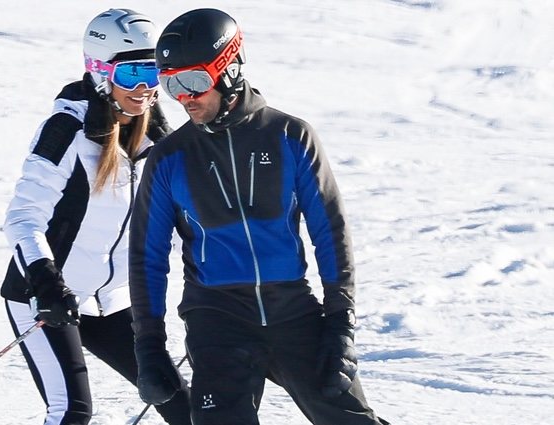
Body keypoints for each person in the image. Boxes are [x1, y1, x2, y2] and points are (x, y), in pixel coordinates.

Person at [129, 8, 389, 425]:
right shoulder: (169, 159)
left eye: (194, 80)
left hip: (293, 313)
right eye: (172, 84)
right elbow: (147, 256)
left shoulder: (290, 136)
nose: (185, 97)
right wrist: (149, 347)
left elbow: (330, 231)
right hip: (217, 319)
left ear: (228, 68)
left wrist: (341, 324)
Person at [0, 8, 191, 425]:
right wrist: (46, 282)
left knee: (185, 408)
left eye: (153, 73)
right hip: (47, 297)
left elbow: (182, 219)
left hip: (113, 302)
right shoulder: (66, 130)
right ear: (100, 72)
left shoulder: (160, 140)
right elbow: (22, 217)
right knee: (72, 411)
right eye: (129, 75)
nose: (144, 89)